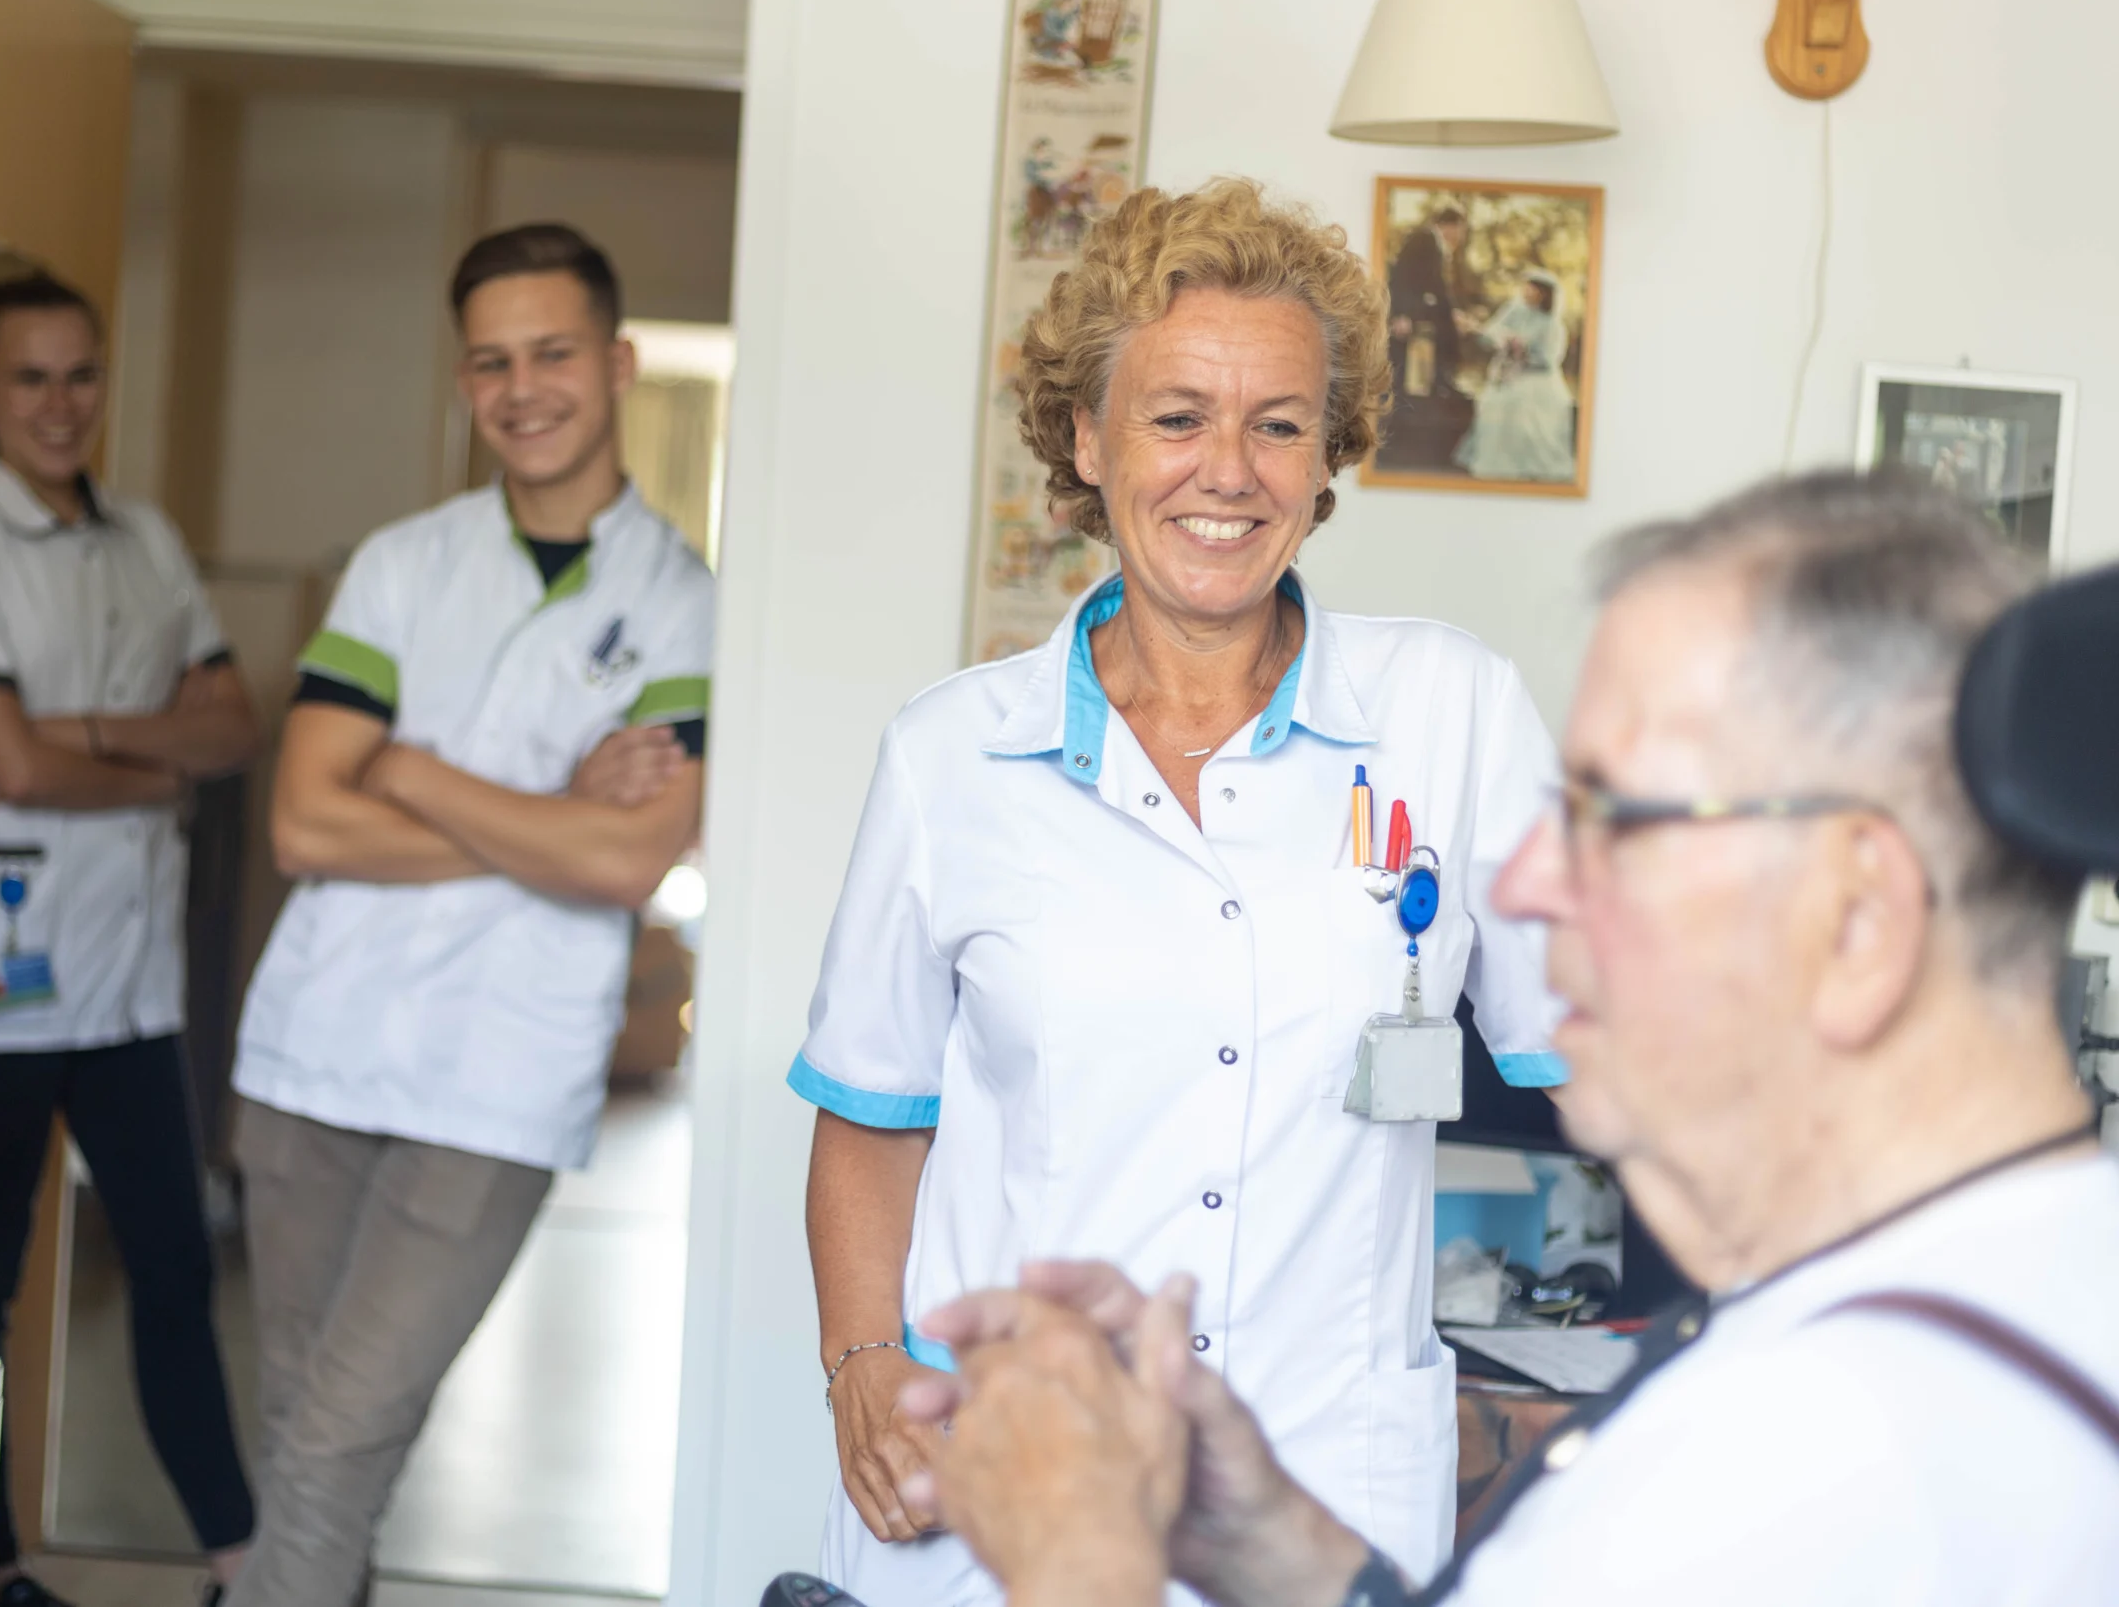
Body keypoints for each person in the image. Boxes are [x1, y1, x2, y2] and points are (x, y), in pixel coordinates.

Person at [901, 471, 2119, 1607]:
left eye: (1610, 813)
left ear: (1857, 918)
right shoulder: (1975, 1295)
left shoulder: (1836, 1453)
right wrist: (1275, 1549)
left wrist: (1078, 1552)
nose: (1525, 880)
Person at [789, 178, 1566, 1603]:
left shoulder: (1453, 714)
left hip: (1322, 1488)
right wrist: (862, 1366)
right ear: (1085, 438)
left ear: (1328, 460)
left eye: (1279, 423)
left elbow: (1617, 1051)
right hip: (1009, 1484)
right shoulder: (950, 755)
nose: (1231, 469)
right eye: (1176, 416)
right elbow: (870, 1115)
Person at [227, 223, 713, 1607]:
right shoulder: (402, 563)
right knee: (303, 1437)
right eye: (491, 360)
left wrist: (420, 767)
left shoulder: (683, 606)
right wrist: (544, 810)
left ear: (615, 363)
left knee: (334, 1440)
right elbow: (303, 820)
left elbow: (628, 859)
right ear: (465, 384)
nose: (523, 386)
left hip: (495, 1083)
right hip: (312, 1053)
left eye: (553, 350)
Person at [0, 274, 259, 1607]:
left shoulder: (145, 536)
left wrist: (91, 736)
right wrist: (153, 760)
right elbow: (4, 763)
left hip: (125, 981)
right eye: (32, 377)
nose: (62, 403)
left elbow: (234, 728)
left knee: (172, 1261)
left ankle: (242, 1559)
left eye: (82, 374)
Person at [1451, 271, 1574, 485]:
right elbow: (1490, 335)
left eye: (1534, 290)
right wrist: (1495, 338)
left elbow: (1548, 361)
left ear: (1544, 295)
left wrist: (1524, 353)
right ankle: (1498, 463)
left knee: (1521, 405)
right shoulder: (1514, 310)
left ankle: (1526, 464)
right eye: (1526, 288)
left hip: (1536, 378)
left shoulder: (1552, 324)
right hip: (1507, 373)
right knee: (1495, 402)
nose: (1527, 293)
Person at [1382, 206, 1468, 464]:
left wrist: (1451, 311)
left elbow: (1434, 285)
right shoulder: (1424, 239)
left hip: (1423, 314)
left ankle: (1442, 381)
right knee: (1401, 368)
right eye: (1459, 229)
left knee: (1442, 337)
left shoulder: (1434, 244)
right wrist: (1401, 314)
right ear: (1449, 225)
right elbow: (1401, 276)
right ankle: (1395, 433)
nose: (1459, 236)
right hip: (1410, 314)